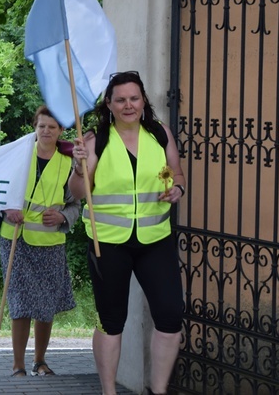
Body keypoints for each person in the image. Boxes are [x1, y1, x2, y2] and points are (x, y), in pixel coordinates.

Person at [68, 71, 185, 395]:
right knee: (111, 321)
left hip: (155, 240)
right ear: (109, 104)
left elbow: (177, 172)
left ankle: (157, 390)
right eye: (120, 99)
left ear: (143, 101)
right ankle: (109, 391)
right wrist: (79, 168)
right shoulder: (93, 141)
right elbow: (77, 192)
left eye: (134, 98)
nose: (128, 105)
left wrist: (177, 189)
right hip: (108, 244)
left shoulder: (160, 134)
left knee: (170, 317)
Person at [0, 106, 79, 377]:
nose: (45, 131)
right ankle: (18, 364)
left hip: (50, 243)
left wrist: (62, 215)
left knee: (45, 305)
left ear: (60, 132)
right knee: (20, 302)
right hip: (15, 238)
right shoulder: (18, 156)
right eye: (41, 126)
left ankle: (40, 361)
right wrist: (6, 209)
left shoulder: (68, 163)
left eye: (51, 127)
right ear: (34, 127)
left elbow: (75, 204)